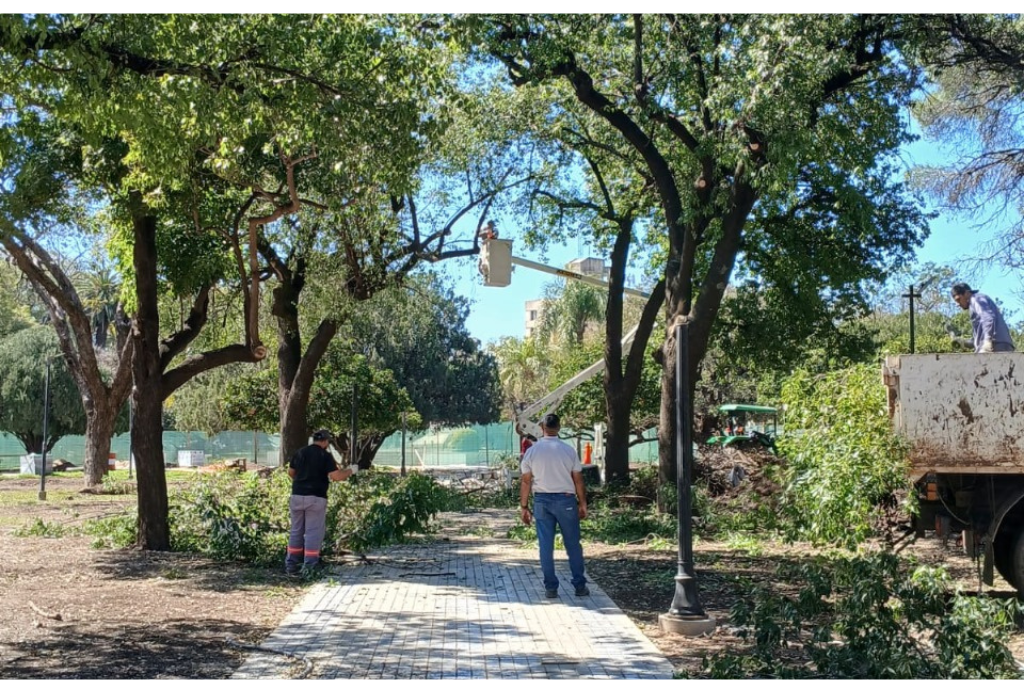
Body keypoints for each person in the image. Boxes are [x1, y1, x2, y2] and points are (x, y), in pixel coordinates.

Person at [520, 413, 589, 598]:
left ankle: (551, 587)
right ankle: (579, 586)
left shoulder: (532, 452)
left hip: (542, 501)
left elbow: (526, 481)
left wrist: (524, 506)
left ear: (542, 428)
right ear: (559, 427)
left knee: (545, 546)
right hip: (566, 500)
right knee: (573, 544)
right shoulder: (568, 450)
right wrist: (582, 503)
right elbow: (578, 479)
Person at [286, 429, 356, 575]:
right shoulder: (325, 455)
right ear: (325, 441)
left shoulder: (300, 452)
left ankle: (292, 564)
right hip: (316, 498)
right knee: (313, 532)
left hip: (297, 495)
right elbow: (336, 476)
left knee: (296, 531)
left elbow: (291, 473)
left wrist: (303, 482)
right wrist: (351, 470)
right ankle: (310, 566)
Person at [951, 283, 1015, 353]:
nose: (958, 304)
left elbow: (988, 318)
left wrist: (987, 340)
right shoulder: (974, 305)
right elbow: (978, 339)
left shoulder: (976, 299)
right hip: (998, 344)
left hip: (996, 345)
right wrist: (963, 342)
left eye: (958, 299)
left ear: (966, 293)